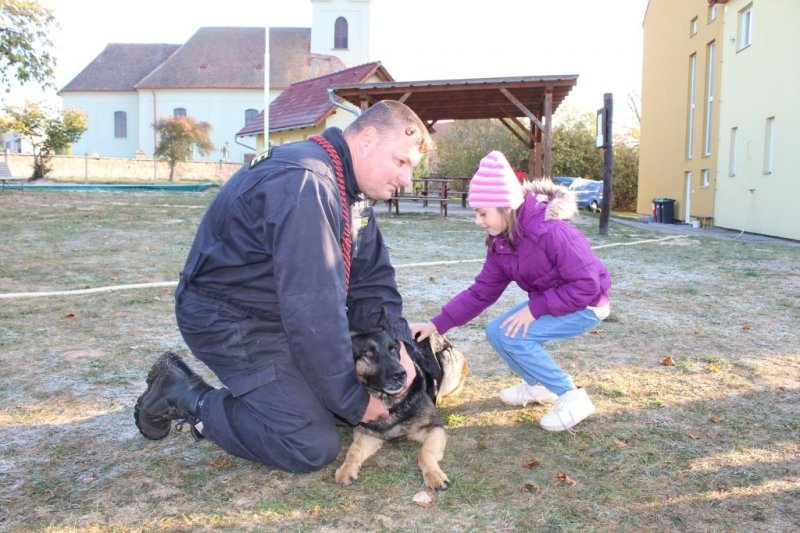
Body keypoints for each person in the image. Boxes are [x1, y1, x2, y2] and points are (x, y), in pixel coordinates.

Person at [134, 100, 435, 473]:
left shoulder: (347, 189)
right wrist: (354, 402)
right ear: (368, 139)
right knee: (310, 445)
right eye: (401, 162)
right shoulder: (306, 184)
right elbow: (313, 311)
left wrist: (398, 347)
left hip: (278, 314)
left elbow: (373, 282)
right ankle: (188, 396)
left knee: (338, 400)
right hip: (228, 319)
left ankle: (287, 396)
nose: (406, 180)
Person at [411, 151, 611, 432]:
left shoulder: (552, 231)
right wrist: (436, 324)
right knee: (497, 332)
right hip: (554, 300)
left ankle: (571, 396)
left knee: (514, 336)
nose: (479, 221)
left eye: (483, 213)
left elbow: (587, 285)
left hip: (587, 305)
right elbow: (481, 292)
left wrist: (535, 310)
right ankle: (538, 385)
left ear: (506, 207)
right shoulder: (502, 242)